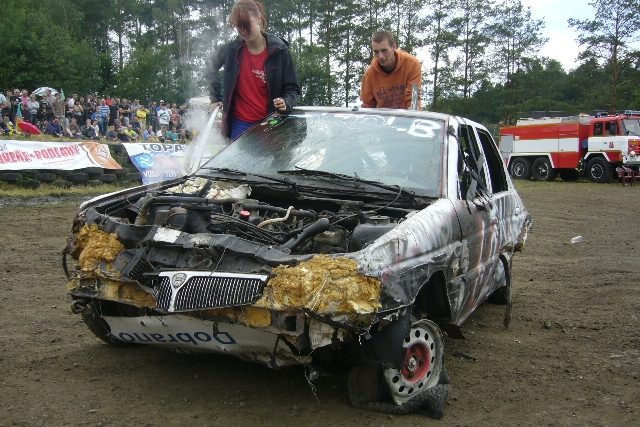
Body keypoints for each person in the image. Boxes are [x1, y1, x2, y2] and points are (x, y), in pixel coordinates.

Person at [207, 0, 300, 140]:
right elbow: (210, 66)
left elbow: (292, 88)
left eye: (247, 25)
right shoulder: (231, 50)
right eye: (239, 27)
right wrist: (215, 97)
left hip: (271, 124)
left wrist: (286, 102)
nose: (243, 31)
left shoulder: (280, 50)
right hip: (239, 125)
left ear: (258, 19)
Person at [360, 30, 422, 109]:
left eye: (384, 51)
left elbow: (414, 102)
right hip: (383, 119)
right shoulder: (369, 74)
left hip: (408, 117)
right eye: (376, 52)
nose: (380, 56)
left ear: (393, 47)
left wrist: (411, 119)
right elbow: (367, 105)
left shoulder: (412, 65)